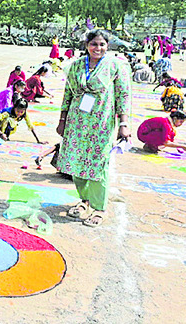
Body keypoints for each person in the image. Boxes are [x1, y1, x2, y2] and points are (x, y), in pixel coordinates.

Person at [56, 29, 132, 228]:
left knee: (99, 165)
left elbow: (123, 96)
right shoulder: (77, 66)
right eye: (93, 44)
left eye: (102, 44)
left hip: (102, 123)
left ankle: (99, 208)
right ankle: (85, 201)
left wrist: (123, 124)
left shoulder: (116, 66)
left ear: (107, 46)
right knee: (76, 161)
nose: (97, 48)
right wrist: (62, 119)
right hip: (77, 122)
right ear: (86, 45)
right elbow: (68, 93)